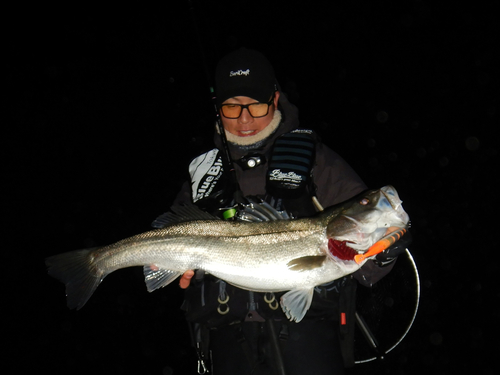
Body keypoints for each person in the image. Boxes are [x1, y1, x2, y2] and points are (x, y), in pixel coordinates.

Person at [164, 48, 408, 375]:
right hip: (227, 347)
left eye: (256, 105)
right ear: (217, 108)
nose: (245, 118)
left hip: (309, 345)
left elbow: (366, 264)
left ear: (275, 99)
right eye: (231, 107)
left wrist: (385, 252)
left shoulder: (318, 162)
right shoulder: (203, 172)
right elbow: (171, 236)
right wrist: (173, 268)